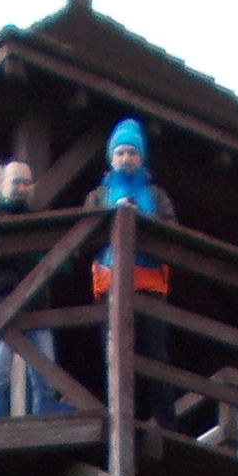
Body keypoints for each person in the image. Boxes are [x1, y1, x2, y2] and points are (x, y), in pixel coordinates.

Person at [83, 118, 185, 429]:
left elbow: (174, 234)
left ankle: (166, 423)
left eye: (132, 153)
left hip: (149, 284)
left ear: (141, 158)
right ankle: (119, 419)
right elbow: (83, 237)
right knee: (114, 352)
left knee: (155, 354)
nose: (126, 158)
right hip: (112, 284)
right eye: (120, 153)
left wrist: (142, 220)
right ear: (111, 158)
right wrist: (111, 218)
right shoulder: (99, 196)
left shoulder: (155, 196)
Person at [0, 161, 64, 420]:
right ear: (3, 183)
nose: (21, 187)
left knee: (45, 377)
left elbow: (58, 259)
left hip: (36, 304)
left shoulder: (36, 218)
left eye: (26, 182)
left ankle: (43, 425)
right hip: (2, 303)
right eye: (16, 181)